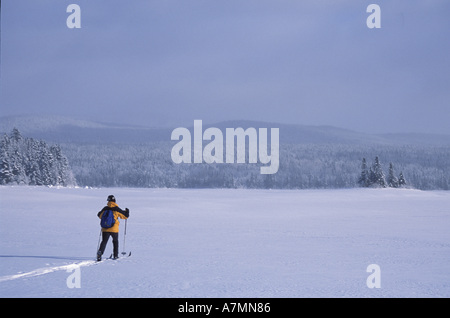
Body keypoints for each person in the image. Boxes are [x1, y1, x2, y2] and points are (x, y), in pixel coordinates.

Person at [97, 195, 129, 261]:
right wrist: (127, 211)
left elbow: (99, 216)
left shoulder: (105, 208)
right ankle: (115, 255)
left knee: (104, 241)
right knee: (115, 241)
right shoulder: (116, 209)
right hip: (114, 229)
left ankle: (100, 253)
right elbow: (125, 216)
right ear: (114, 201)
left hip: (105, 228)